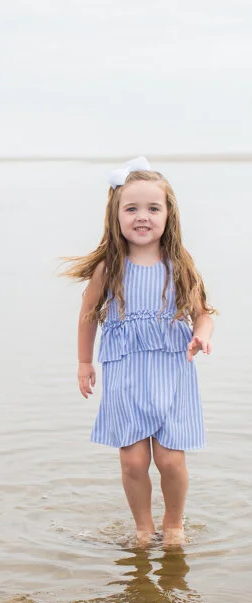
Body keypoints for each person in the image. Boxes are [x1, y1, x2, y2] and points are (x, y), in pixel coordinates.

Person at [64, 158, 215, 546]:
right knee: (133, 460)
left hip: (171, 371)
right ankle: (143, 528)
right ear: (116, 216)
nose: (142, 217)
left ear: (169, 215)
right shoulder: (109, 269)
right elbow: (87, 315)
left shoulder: (179, 265)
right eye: (131, 209)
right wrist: (84, 362)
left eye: (153, 208)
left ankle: (175, 524)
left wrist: (202, 335)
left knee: (169, 459)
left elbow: (203, 315)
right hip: (126, 374)